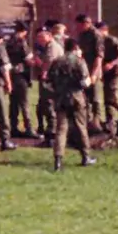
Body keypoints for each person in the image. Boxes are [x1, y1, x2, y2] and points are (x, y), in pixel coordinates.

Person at [47, 37, 97, 171]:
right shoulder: (79, 61)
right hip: (76, 98)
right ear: (76, 48)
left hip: (60, 98)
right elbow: (84, 82)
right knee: (81, 127)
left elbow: (49, 80)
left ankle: (58, 160)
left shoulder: (57, 61)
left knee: (61, 130)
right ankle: (86, 156)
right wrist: (91, 80)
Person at [31, 28, 64, 148]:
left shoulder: (52, 47)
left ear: (49, 36)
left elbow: (48, 63)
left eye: (42, 38)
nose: (40, 40)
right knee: (43, 105)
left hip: (52, 81)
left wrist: (43, 72)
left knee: (49, 106)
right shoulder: (46, 47)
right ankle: (47, 132)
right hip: (49, 80)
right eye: (38, 38)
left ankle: (52, 135)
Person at [96, 21, 118, 135]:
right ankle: (111, 123)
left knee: (113, 98)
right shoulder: (98, 42)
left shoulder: (113, 41)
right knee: (107, 100)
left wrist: (112, 64)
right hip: (106, 74)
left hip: (116, 72)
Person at [6, 22, 37, 139]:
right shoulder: (21, 43)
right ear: (24, 31)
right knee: (24, 103)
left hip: (11, 75)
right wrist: (36, 62)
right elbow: (29, 60)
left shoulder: (8, 42)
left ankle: (13, 127)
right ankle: (29, 128)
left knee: (13, 103)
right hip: (21, 75)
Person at [74, 14, 104, 131]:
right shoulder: (82, 35)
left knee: (95, 98)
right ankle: (88, 122)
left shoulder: (96, 35)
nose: (78, 28)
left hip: (93, 70)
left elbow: (99, 57)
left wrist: (94, 75)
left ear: (86, 23)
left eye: (79, 25)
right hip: (84, 70)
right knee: (85, 98)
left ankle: (97, 124)